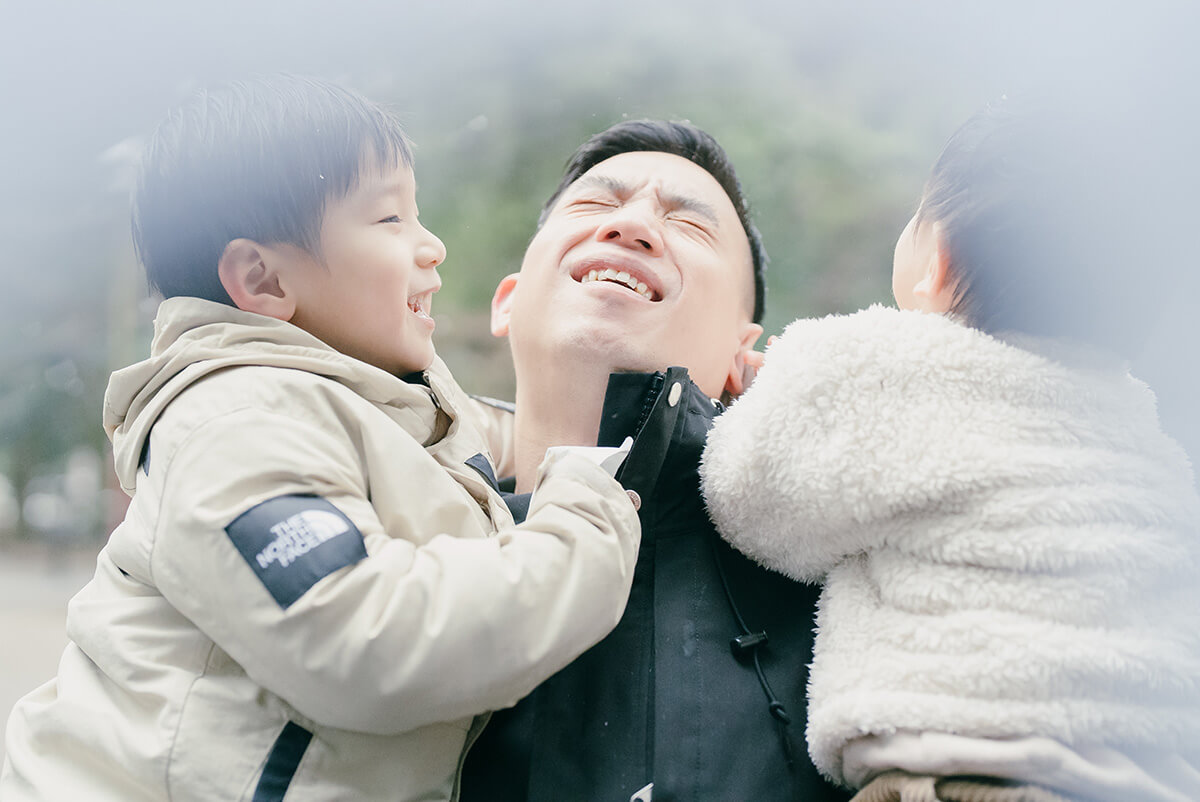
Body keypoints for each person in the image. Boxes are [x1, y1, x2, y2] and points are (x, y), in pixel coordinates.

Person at [0, 76, 642, 802]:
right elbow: (366, 641)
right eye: (389, 219)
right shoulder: (234, 421)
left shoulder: (376, 406)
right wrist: (586, 518)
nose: (430, 245)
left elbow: (486, 439)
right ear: (263, 279)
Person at [701, 95, 1200, 802]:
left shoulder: (878, 364)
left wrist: (758, 392)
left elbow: (747, 501)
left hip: (968, 771)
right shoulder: (1144, 431)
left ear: (937, 262)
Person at [460, 120, 852, 801]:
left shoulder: (839, 596)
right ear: (508, 300)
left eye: (690, 227)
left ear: (743, 356)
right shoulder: (385, 540)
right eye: (595, 206)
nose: (632, 226)